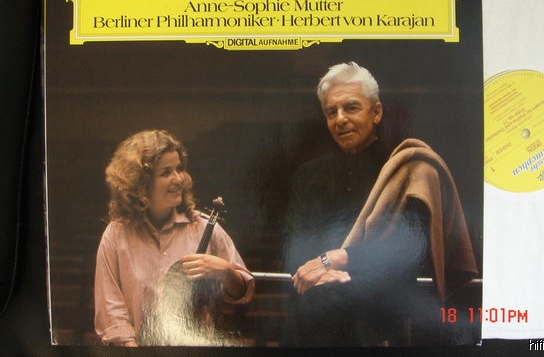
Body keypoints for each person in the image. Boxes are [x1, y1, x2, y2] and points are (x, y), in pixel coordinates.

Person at [283, 62, 478, 346]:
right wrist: (319, 276)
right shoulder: (308, 174)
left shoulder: (404, 170)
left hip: (379, 313)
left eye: (351, 108)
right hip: (313, 307)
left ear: (376, 112)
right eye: (331, 112)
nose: (340, 119)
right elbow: (291, 243)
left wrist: (339, 261)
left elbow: (408, 251)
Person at [94, 130, 254, 346]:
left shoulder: (202, 227)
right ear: (140, 182)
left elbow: (243, 292)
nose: (178, 179)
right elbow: (111, 312)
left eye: (179, 169)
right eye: (166, 172)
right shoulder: (116, 234)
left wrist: (225, 272)